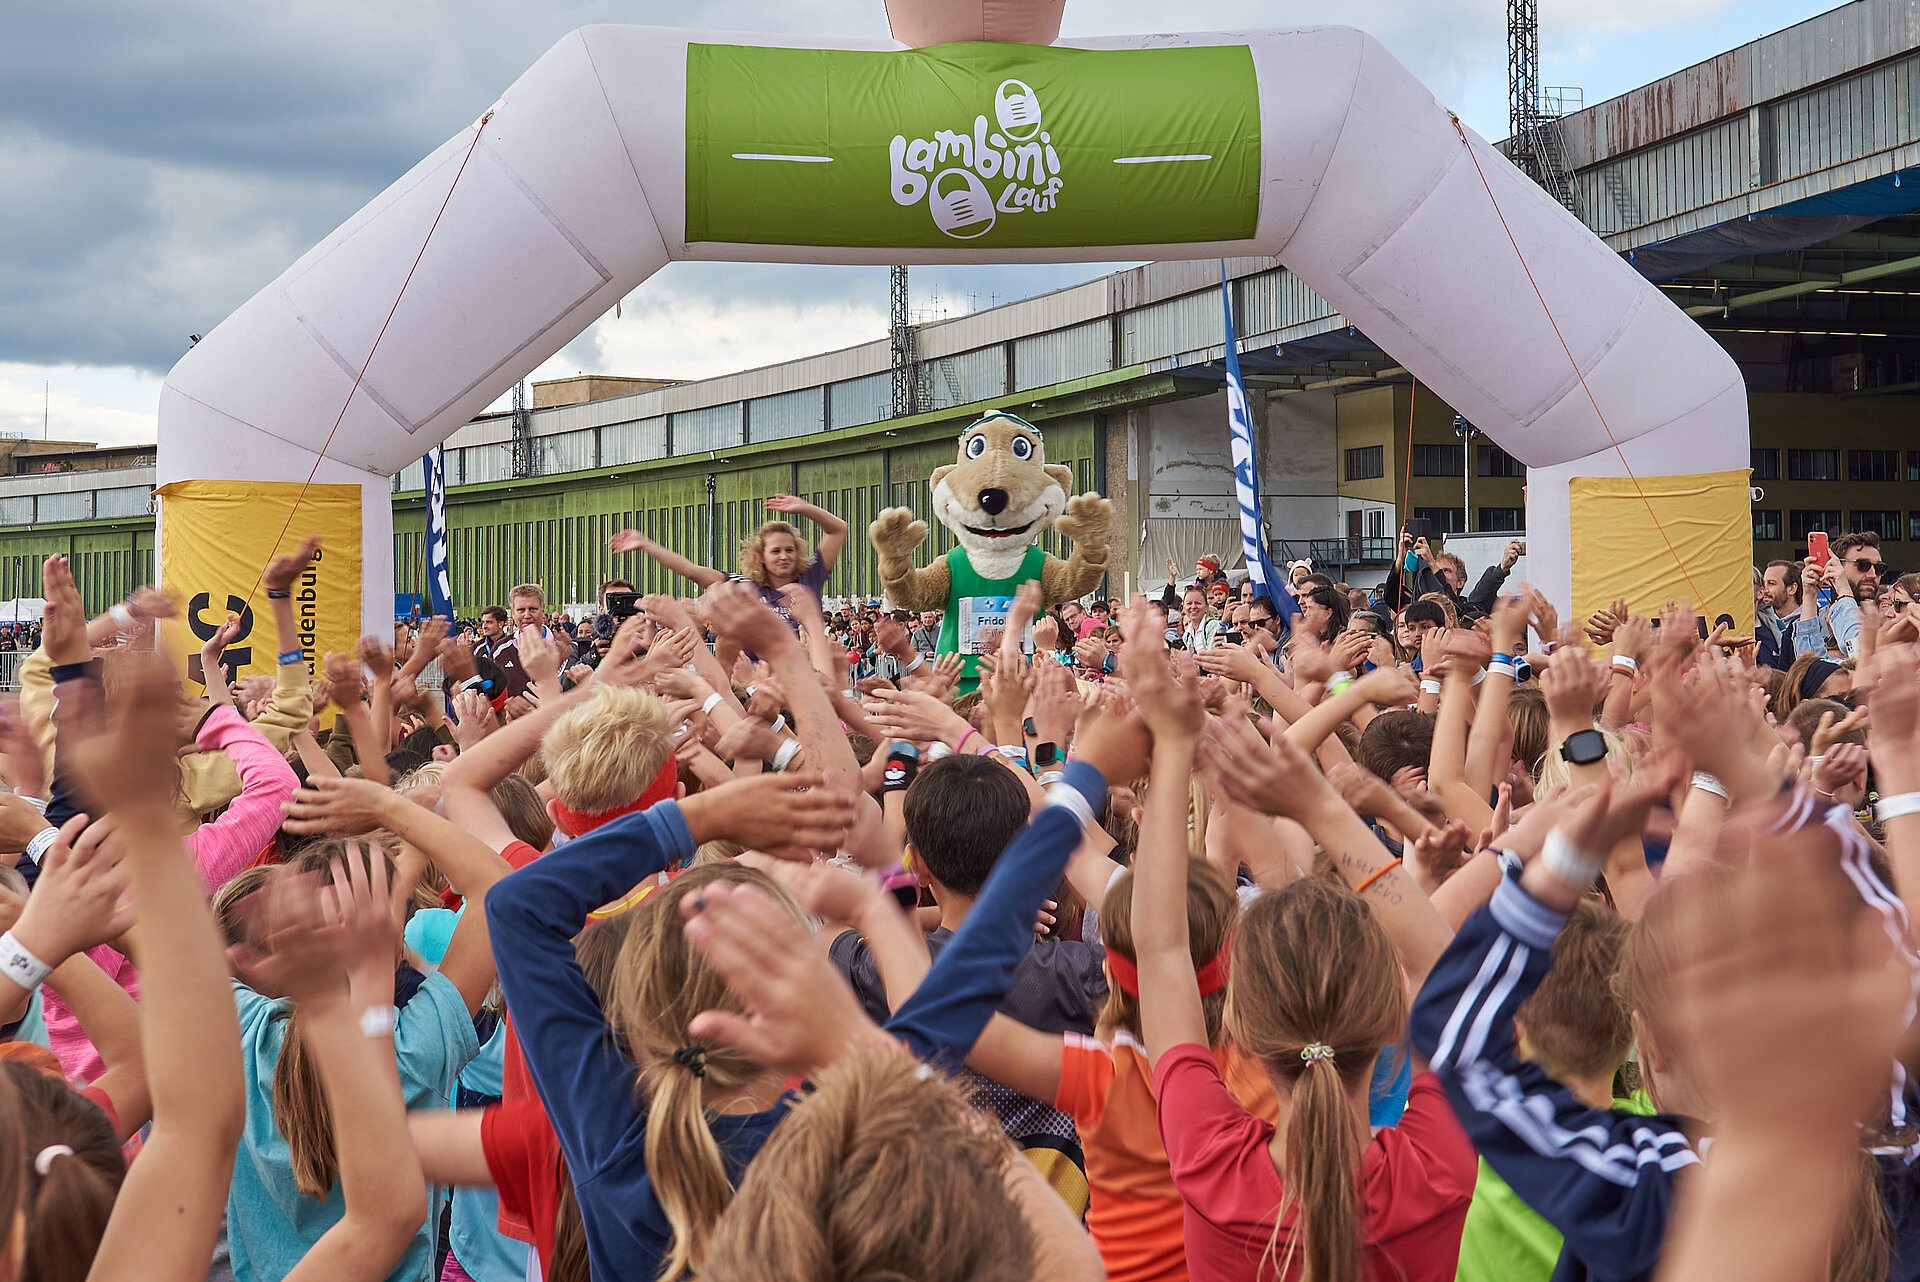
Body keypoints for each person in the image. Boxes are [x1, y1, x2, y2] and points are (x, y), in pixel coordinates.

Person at [609, 494, 849, 631]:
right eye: (775, 551)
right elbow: (690, 570)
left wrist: (806, 508)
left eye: (789, 550)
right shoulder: (744, 587)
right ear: (761, 557)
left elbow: (838, 530)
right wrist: (646, 544)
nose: (784, 556)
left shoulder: (810, 579)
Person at [1795, 530, 1883, 659]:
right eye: (1863, 565)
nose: (1873, 574)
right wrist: (1809, 597)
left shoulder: (1889, 620)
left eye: (1880, 568)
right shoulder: (1814, 618)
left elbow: (1859, 654)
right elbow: (1810, 669)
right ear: (1834, 565)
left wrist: (1844, 593)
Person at [1756, 559, 1802, 671]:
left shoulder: (1813, 620)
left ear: (1792, 588)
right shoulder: (1761, 623)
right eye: (1763, 583)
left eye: (1771, 583)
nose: (1764, 589)